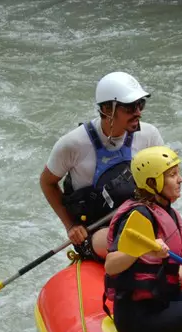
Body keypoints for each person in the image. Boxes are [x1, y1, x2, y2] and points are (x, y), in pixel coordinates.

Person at [97, 146, 182, 332]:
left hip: (162, 301)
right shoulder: (138, 215)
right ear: (151, 182)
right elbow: (111, 265)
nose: (180, 179)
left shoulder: (166, 212)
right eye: (173, 175)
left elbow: (160, 265)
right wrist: (139, 250)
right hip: (140, 318)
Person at [40, 71, 163, 250]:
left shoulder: (150, 135)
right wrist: (71, 226)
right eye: (129, 107)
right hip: (96, 231)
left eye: (140, 104)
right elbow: (47, 183)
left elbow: (166, 181)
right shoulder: (72, 144)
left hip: (140, 221)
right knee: (134, 246)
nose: (138, 113)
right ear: (107, 109)